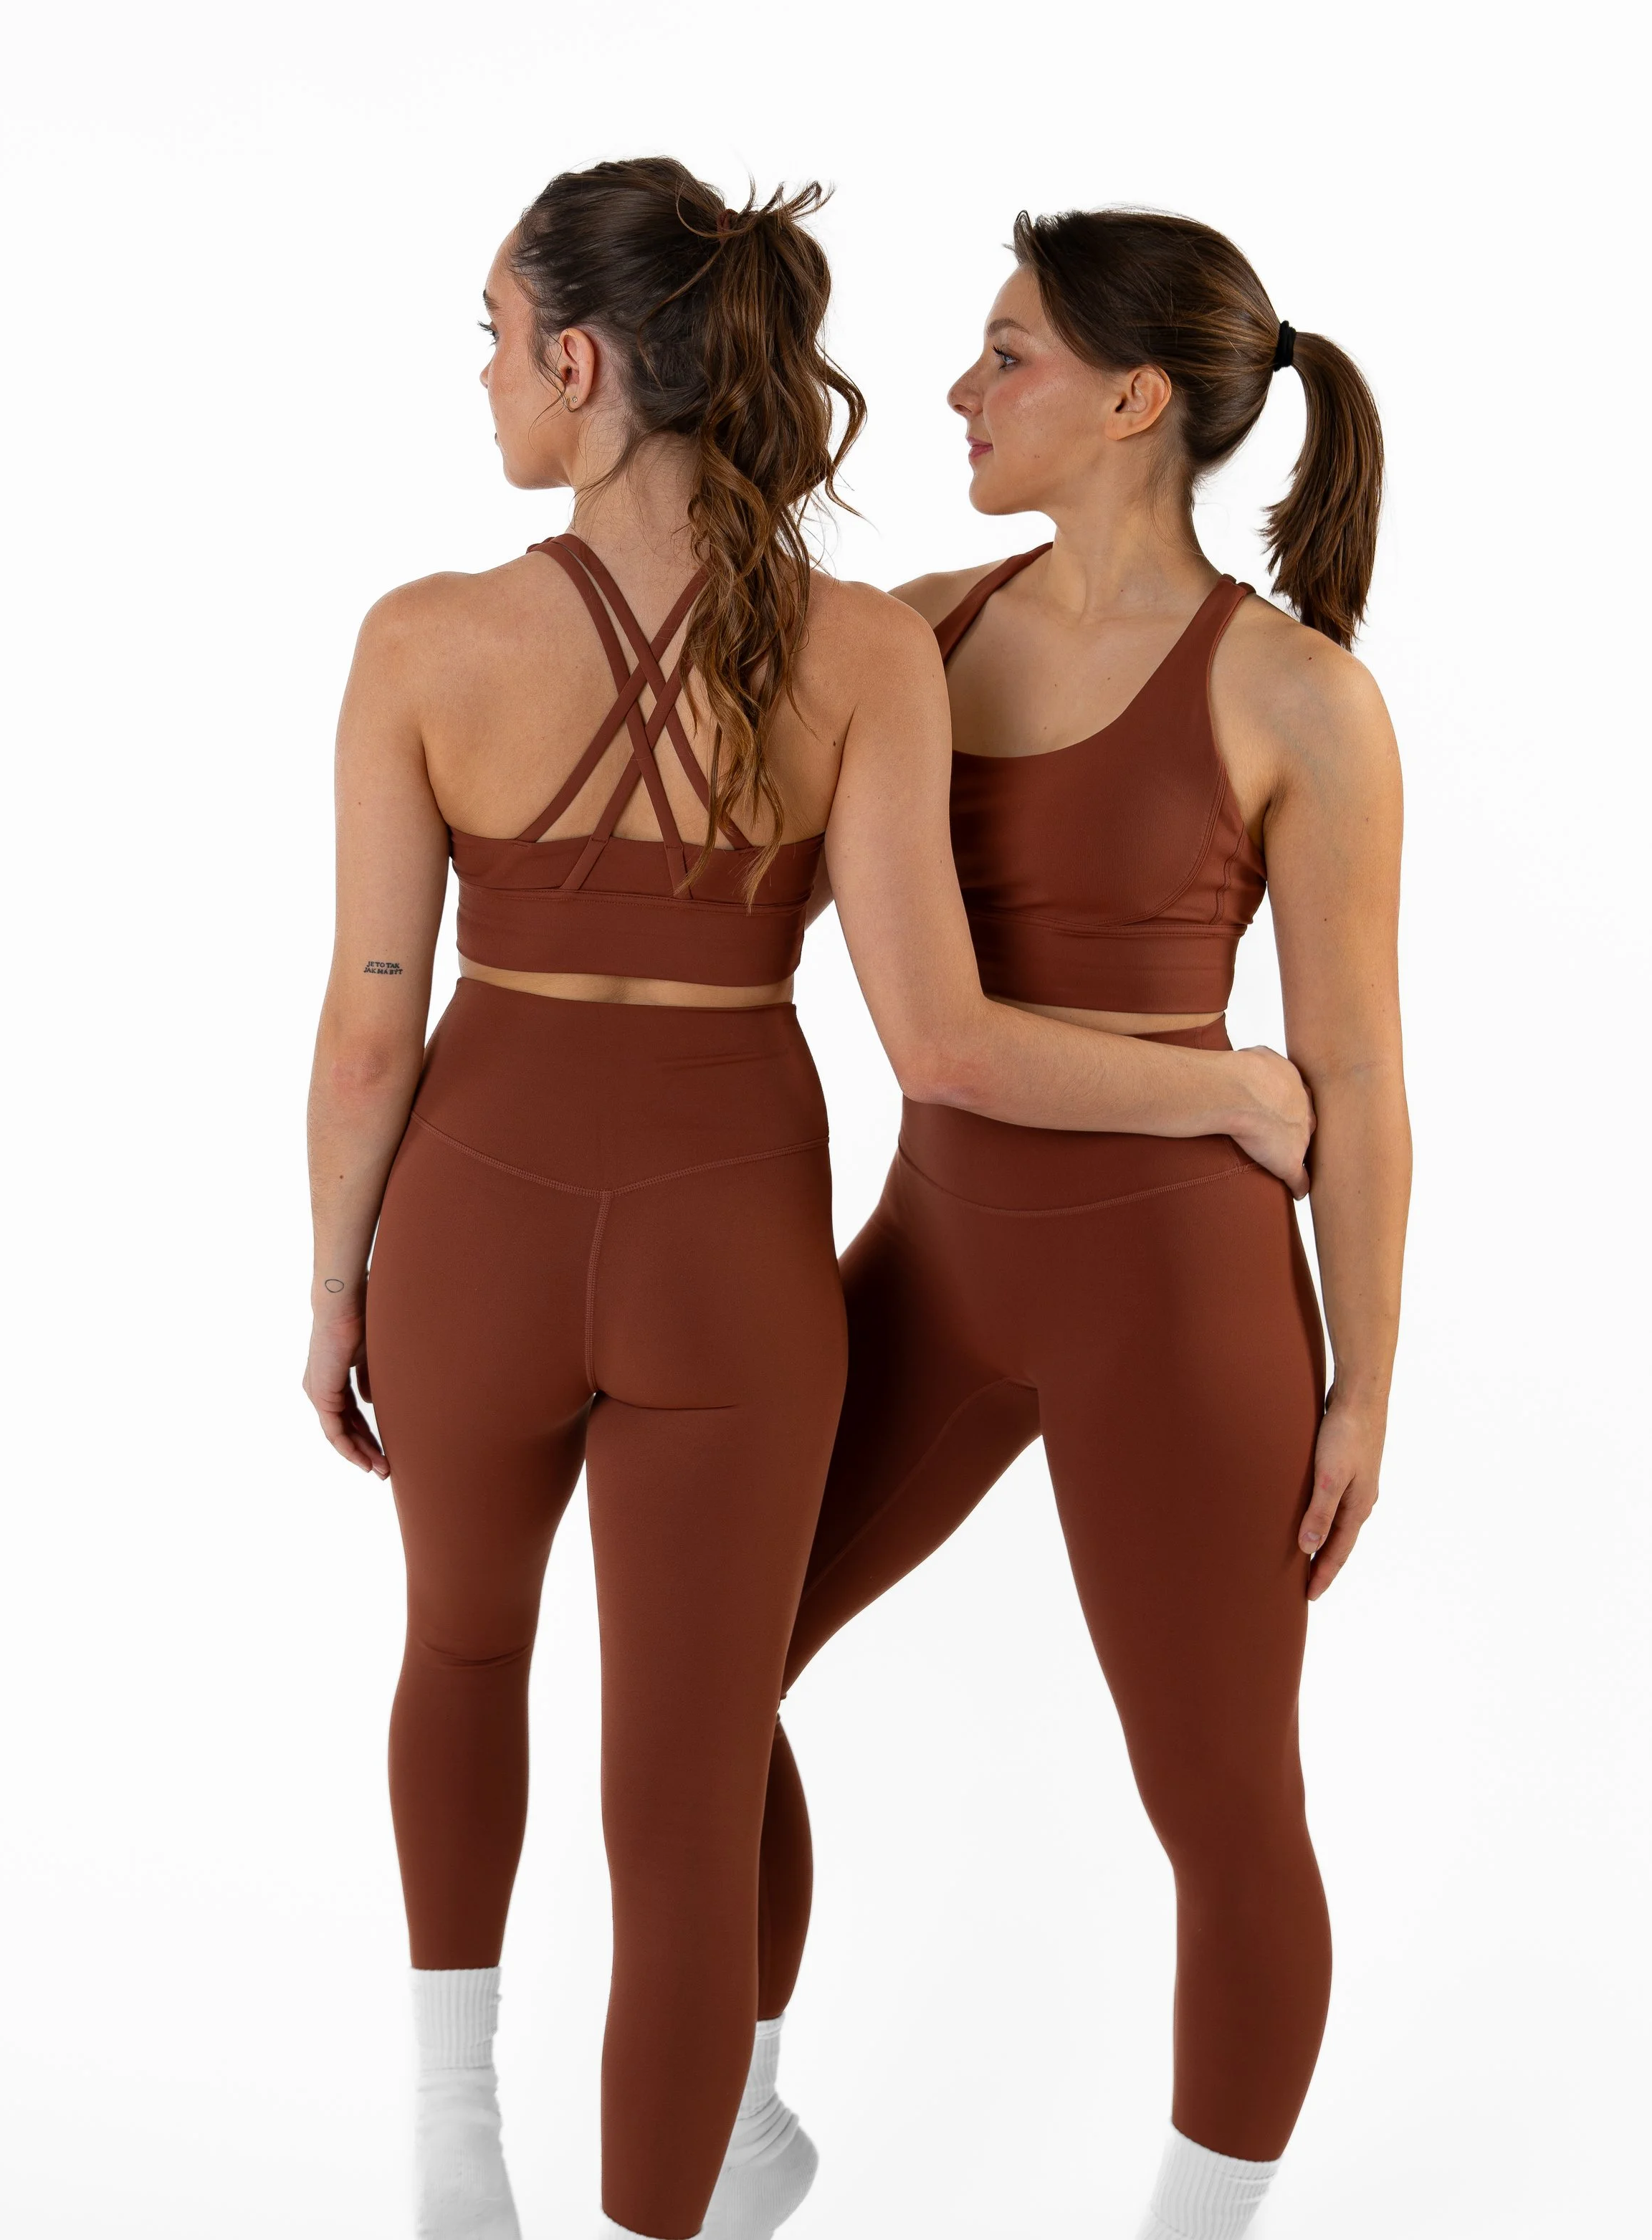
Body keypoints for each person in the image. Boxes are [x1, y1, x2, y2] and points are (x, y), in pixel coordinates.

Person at [302, 163, 1314, 2240]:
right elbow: (940, 1035)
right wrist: (1240, 1087)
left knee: (462, 1658)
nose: (486, 377)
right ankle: (673, 2213)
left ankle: (447, 2148)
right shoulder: (866, 649)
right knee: (681, 1791)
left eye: (498, 337)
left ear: (582, 367)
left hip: (472, 1230)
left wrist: (334, 1282)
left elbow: (365, 1031)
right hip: (732, 1260)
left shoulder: (422, 642)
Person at [753, 207, 1410, 2240]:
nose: (956, 387)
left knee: (1220, 1804)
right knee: (694, 1671)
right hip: (935, 1258)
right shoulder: (920, 630)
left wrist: (1362, 1389)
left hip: (1179, 1299)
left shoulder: (1294, 697)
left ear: (1134, 401)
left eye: (1005, 351)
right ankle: (737, 2112)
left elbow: (1358, 1085)